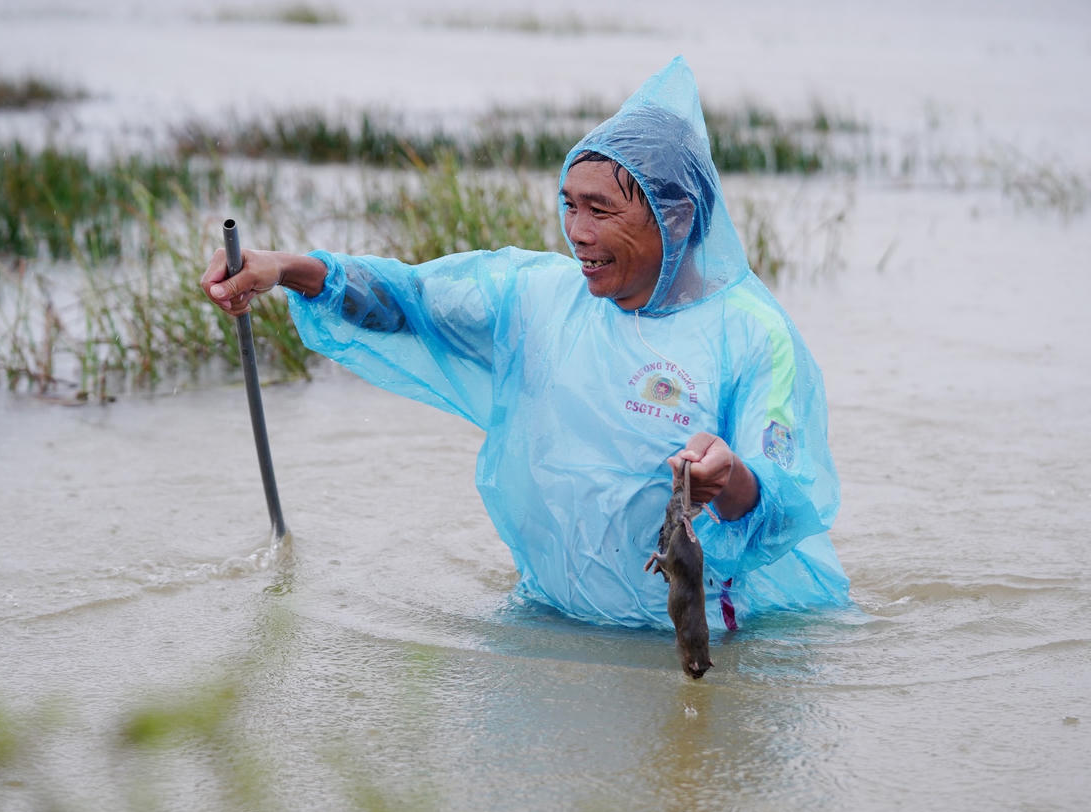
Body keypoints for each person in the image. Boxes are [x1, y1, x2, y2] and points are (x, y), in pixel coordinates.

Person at [201, 57, 849, 632]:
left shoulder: (750, 335)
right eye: (569, 205)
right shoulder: (538, 298)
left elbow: (785, 502)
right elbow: (406, 300)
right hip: (547, 620)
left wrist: (729, 478)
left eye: (601, 210)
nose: (577, 232)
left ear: (675, 215)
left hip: (697, 639)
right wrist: (284, 269)